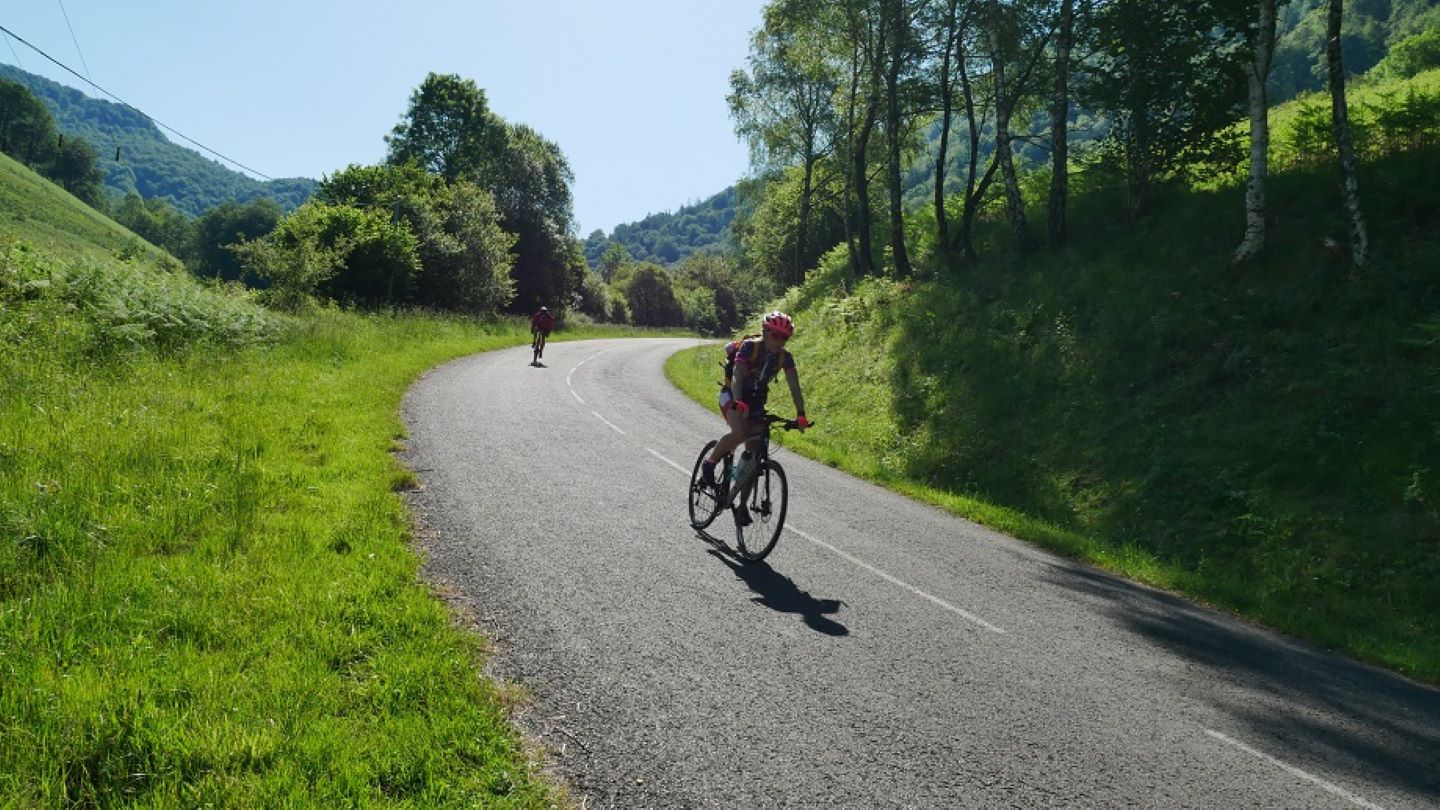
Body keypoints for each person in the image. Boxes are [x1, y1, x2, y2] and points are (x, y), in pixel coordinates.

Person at [700, 310, 810, 488]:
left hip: (757, 400)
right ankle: (710, 463)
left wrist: (801, 414)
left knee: (755, 452)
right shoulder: (750, 347)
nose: (779, 341)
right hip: (733, 394)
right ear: (765, 332)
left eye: (784, 338)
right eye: (775, 336)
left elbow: (794, 387)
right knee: (740, 433)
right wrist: (738, 401)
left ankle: (742, 506)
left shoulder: (785, 357)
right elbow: (737, 375)